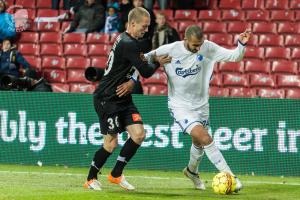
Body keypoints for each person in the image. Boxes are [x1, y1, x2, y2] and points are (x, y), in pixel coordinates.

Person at [145, 25, 251, 192]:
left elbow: (235, 57)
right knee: (205, 138)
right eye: (195, 45)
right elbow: (143, 58)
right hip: (180, 106)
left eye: (200, 44)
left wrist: (241, 44)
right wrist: (155, 61)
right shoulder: (170, 49)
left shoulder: (207, 47)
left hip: (202, 105)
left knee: (198, 143)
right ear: (185, 39)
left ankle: (191, 171)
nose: (198, 48)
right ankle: (231, 177)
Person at [83, 7, 171, 191]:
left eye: (148, 26)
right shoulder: (128, 43)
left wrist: (132, 80)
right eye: (144, 26)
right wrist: (157, 61)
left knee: (139, 134)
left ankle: (116, 174)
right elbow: (146, 70)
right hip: (107, 98)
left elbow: (133, 68)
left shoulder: (128, 40)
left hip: (123, 96)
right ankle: (91, 178)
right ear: (132, 24)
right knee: (111, 143)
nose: (146, 30)